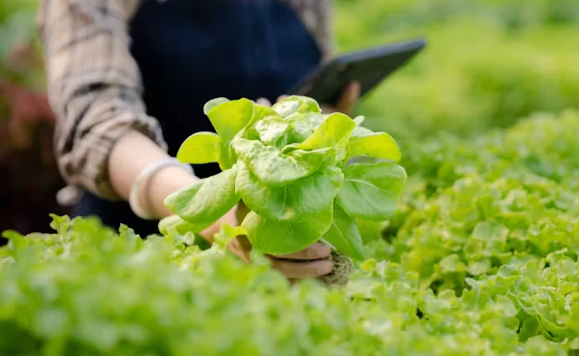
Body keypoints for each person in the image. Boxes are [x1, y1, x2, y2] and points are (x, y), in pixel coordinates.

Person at [36, 0, 360, 280]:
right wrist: (208, 211)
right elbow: (96, 121)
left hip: (283, 264)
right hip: (137, 263)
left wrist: (314, 121)